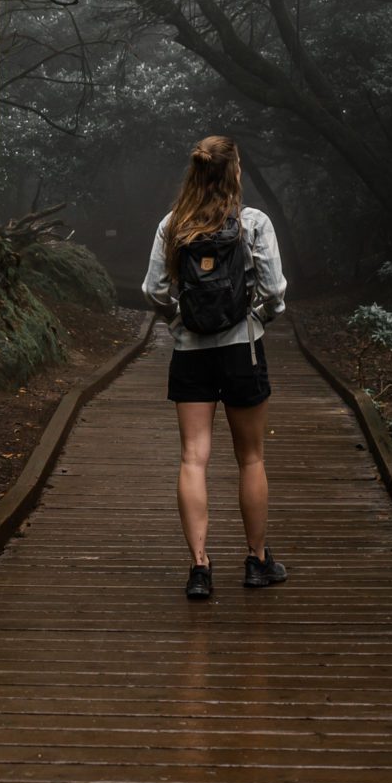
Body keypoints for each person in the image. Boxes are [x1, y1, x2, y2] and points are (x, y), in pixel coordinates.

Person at [143, 134, 288, 601]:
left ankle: (200, 568)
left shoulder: (173, 225)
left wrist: (179, 321)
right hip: (241, 349)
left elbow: (153, 290)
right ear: (234, 172)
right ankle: (257, 561)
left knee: (192, 458)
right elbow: (275, 291)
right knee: (251, 457)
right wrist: (256, 319)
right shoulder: (253, 223)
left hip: (191, 352)